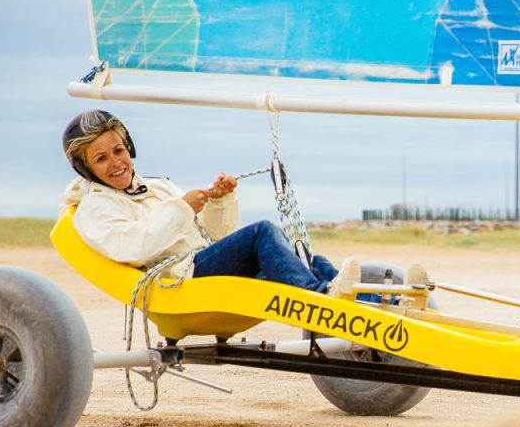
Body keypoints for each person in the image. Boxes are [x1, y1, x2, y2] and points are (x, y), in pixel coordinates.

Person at [59, 110, 360, 297]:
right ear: (86, 170)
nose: (116, 163)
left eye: (119, 150)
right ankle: (320, 299)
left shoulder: (157, 186)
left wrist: (219, 201)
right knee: (263, 232)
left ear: (130, 148)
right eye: (101, 158)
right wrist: (183, 208)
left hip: (204, 264)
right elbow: (134, 248)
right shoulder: (94, 209)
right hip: (184, 280)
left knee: (308, 260)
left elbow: (215, 238)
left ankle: (370, 303)